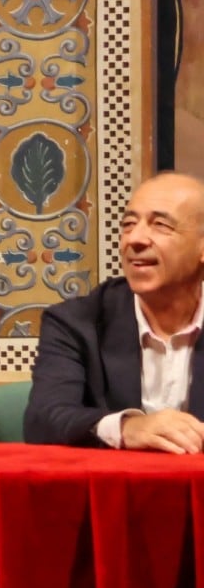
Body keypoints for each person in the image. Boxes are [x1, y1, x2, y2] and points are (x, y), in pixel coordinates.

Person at [24, 172, 204, 451]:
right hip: (115, 492)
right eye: (129, 224)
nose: (135, 239)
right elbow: (43, 420)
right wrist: (128, 427)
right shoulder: (76, 322)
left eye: (160, 225)